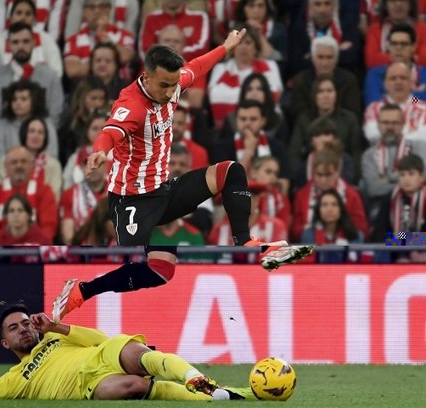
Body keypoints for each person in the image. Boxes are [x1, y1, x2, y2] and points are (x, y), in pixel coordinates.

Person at [52, 29, 313, 323]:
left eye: (173, 85)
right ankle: (81, 291)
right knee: (153, 271)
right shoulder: (132, 105)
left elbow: (197, 67)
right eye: (163, 85)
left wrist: (225, 47)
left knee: (230, 171)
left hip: (164, 191)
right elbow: (111, 131)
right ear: (147, 77)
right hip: (131, 201)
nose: (169, 92)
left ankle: (248, 245)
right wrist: (100, 151)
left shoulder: (172, 84)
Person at [0, 304, 254, 401]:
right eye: (15, 328)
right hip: (91, 384)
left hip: (104, 355)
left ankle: (195, 378)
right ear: (5, 344)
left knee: (133, 349)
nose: (24, 329)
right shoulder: (13, 381)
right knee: (133, 388)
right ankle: (219, 397)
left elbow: (97, 340)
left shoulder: (57, 337)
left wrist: (55, 326)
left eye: (25, 322)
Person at [300, 188, 364, 263]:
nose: (329, 209)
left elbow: (357, 263)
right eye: (324, 205)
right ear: (318, 210)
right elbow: (307, 263)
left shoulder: (355, 235)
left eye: (334, 204)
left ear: (341, 209)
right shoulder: (309, 234)